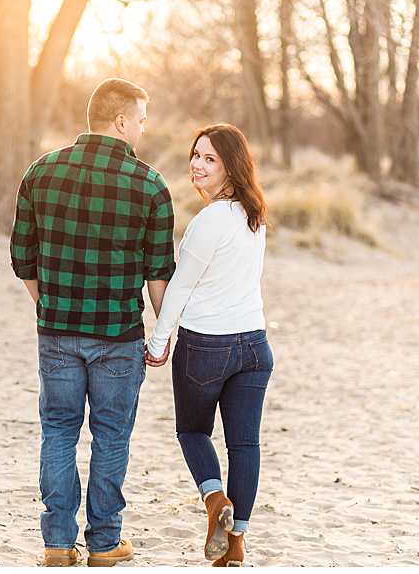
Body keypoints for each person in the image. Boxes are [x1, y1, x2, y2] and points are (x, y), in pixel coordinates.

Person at [10, 78, 176, 567]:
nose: (143, 129)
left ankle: (58, 543)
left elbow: (23, 258)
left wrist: (50, 307)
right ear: (121, 121)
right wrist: (163, 334)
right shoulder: (150, 185)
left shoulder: (40, 172)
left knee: (59, 431)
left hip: (57, 332)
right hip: (119, 337)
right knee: (111, 435)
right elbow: (157, 274)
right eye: (142, 120)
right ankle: (104, 542)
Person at [144, 125, 271, 568]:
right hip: (255, 346)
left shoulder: (209, 221)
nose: (197, 165)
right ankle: (236, 542)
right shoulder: (254, 215)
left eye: (210, 159)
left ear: (231, 166)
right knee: (245, 446)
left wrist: (159, 342)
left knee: (192, 431)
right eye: (195, 155)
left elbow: (179, 288)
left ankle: (215, 500)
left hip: (206, 347)